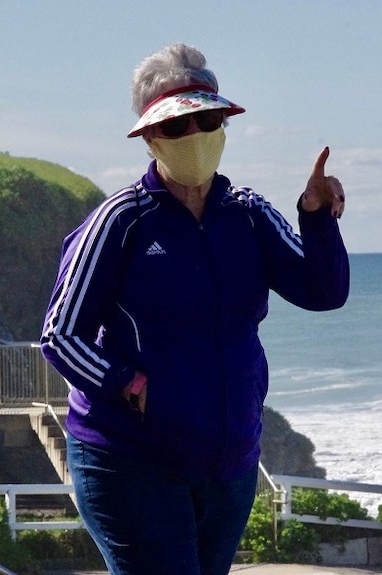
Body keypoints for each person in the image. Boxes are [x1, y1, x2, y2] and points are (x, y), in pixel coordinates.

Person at [40, 43, 349, 575]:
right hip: (131, 460)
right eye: (175, 127)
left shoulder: (248, 214)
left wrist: (316, 218)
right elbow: (59, 334)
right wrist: (124, 382)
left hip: (229, 461)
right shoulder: (120, 221)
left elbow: (323, 291)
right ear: (149, 137)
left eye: (205, 120)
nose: (194, 137)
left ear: (223, 124)